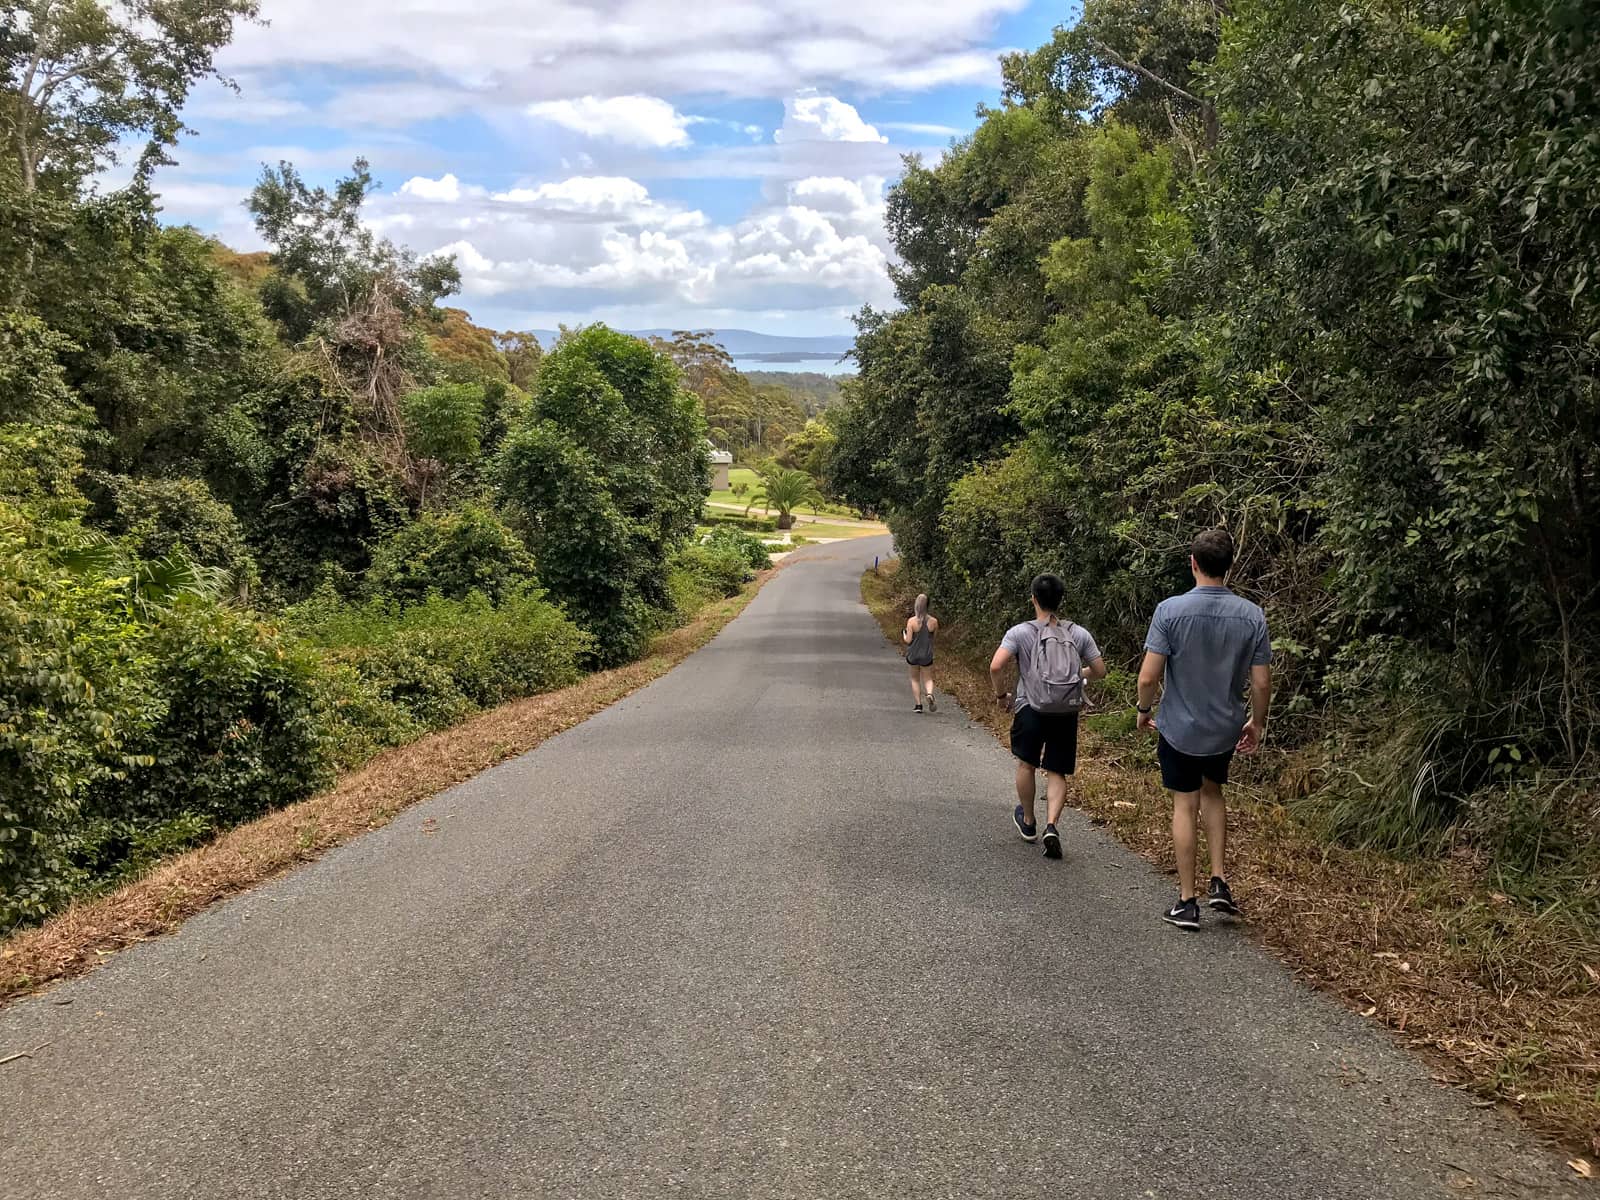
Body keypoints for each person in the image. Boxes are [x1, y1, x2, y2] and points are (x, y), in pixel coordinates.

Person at [1136, 529, 1272, 931]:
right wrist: (1257, 723)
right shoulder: (1252, 615)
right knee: (1213, 792)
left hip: (1180, 726)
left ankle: (1186, 901)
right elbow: (1262, 683)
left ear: (1193, 563)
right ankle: (1220, 880)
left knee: (1185, 803)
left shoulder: (1170, 611)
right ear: (1229, 567)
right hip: (1224, 728)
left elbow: (1148, 676)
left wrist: (1144, 710)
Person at [990, 574, 1107, 860]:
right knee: (1057, 770)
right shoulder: (1078, 634)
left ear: (1033, 599)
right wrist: (1074, 677)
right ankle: (1052, 824)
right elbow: (1100, 670)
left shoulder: (1020, 632)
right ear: (1060, 600)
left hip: (1030, 706)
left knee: (1027, 764)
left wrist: (1001, 695)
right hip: (1065, 709)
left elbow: (996, 666)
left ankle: (1029, 821)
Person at [902, 594, 939, 713]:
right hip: (926, 654)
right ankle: (929, 693)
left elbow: (908, 640)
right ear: (928, 605)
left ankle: (918, 705)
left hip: (913, 654)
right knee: (928, 678)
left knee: (915, 679)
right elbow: (934, 639)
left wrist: (904, 634)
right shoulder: (934, 622)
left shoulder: (912, 621)